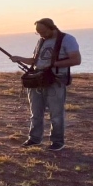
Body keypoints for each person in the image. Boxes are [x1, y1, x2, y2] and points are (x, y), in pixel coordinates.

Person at [10, 18, 82, 151]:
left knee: (56, 114)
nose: (41, 35)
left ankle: (57, 142)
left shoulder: (67, 39)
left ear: (52, 27)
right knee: (36, 113)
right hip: (37, 79)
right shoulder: (41, 40)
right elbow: (35, 60)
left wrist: (53, 65)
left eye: (43, 31)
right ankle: (34, 139)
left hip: (56, 81)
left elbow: (76, 60)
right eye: (38, 32)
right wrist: (19, 58)